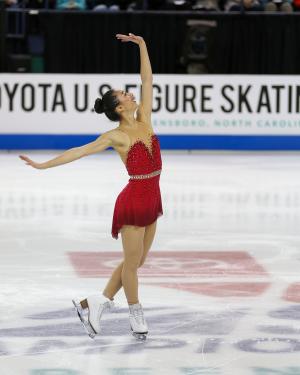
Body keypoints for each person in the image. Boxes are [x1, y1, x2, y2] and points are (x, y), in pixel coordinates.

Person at [19, 33, 163, 340]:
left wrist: (142, 46)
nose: (131, 94)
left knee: (135, 261)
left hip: (153, 197)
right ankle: (136, 315)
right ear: (119, 108)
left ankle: (97, 303)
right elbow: (78, 151)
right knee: (133, 266)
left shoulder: (145, 119)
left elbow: (147, 82)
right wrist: (43, 166)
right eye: (125, 94)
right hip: (134, 201)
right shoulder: (115, 137)